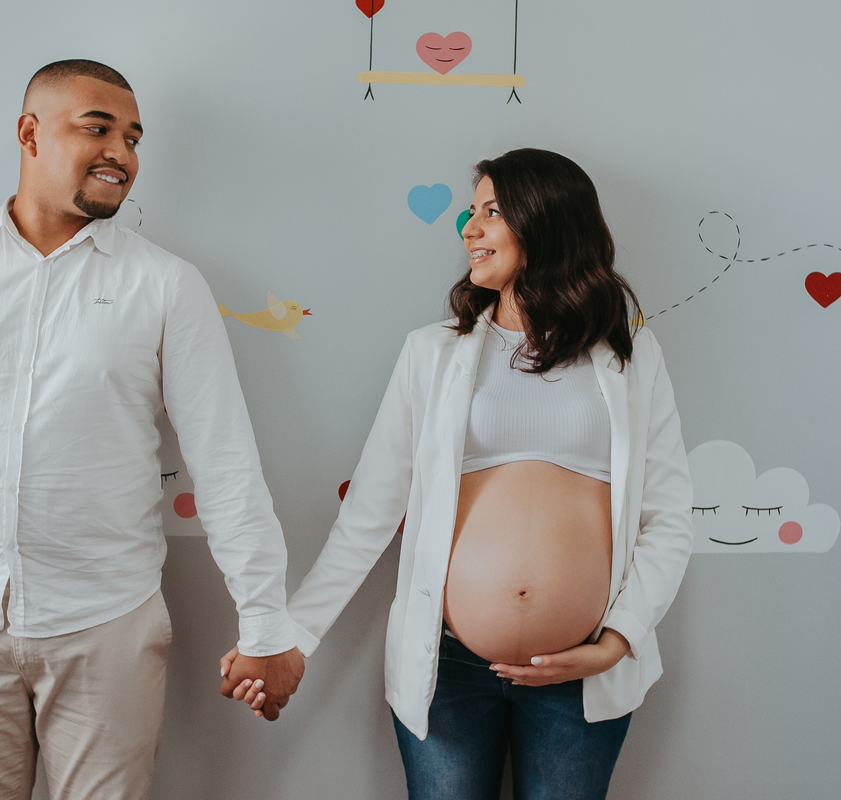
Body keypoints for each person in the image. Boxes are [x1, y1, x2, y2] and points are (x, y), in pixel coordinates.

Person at [0, 59, 303, 800]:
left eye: (133, 137)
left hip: (107, 627)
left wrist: (266, 623)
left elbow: (225, 465)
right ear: (29, 133)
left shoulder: (166, 286)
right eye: (97, 128)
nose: (121, 153)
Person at [228, 148, 693, 798]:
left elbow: (668, 516)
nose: (468, 229)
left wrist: (618, 640)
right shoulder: (433, 352)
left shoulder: (630, 354)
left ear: (547, 220)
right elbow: (370, 513)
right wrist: (291, 637)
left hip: (581, 672)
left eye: (491, 211)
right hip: (446, 666)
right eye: (470, 213)